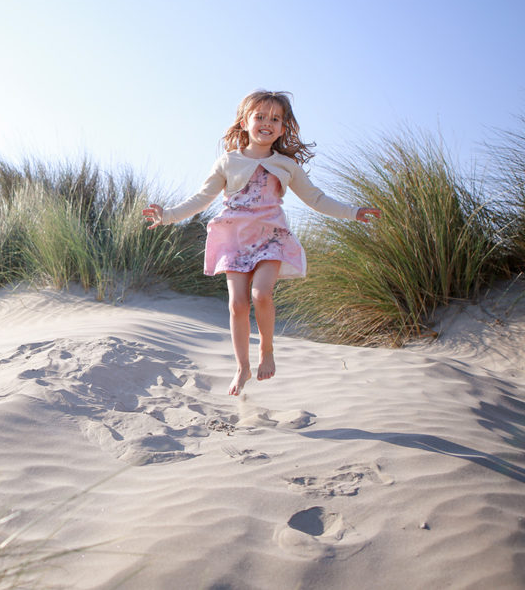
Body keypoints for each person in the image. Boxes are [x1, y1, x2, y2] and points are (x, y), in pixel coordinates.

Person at [143, 90, 381, 396]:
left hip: (271, 236)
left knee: (261, 295)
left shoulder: (286, 165)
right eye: (260, 116)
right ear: (245, 122)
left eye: (275, 118)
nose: (267, 123)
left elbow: (316, 198)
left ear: (283, 128)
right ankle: (242, 367)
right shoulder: (228, 162)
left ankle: (266, 349)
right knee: (237, 304)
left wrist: (354, 212)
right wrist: (169, 216)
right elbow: (202, 198)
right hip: (234, 238)